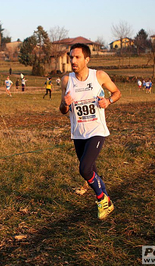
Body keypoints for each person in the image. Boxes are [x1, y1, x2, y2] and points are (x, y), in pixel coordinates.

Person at [59, 43, 121, 220]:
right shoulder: (66, 81)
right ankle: (107, 199)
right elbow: (62, 110)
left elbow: (117, 92)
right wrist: (65, 104)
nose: (73, 60)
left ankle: (101, 199)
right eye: (71, 57)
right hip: (78, 133)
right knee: (91, 169)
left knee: (85, 169)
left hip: (96, 130)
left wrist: (108, 102)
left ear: (87, 59)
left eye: (77, 57)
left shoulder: (99, 76)